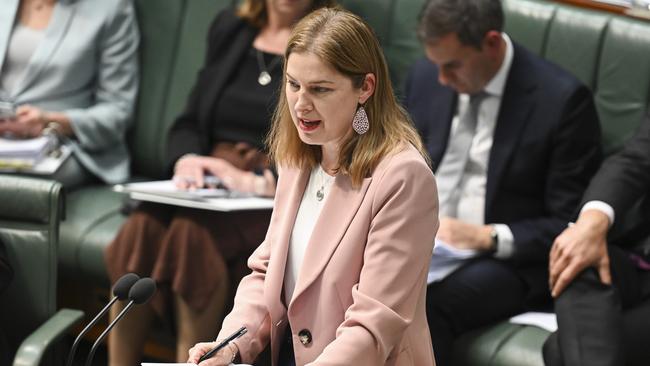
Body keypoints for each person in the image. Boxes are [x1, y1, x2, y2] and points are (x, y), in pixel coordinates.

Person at [187, 8, 438, 366]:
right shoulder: (299, 156)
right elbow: (267, 274)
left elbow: (374, 324)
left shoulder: (403, 178)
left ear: (365, 87)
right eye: (293, 85)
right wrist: (229, 345)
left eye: (320, 89)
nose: (301, 105)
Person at [104, 0, 334, 364]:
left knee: (191, 236)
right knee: (141, 228)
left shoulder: (328, 39)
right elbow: (190, 120)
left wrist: (257, 179)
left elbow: (332, 142)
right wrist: (188, 161)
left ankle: (194, 361)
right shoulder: (232, 27)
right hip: (211, 182)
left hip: (274, 189)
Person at [403, 0, 602, 364]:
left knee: (423, 307)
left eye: (453, 66)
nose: (442, 80)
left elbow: (569, 223)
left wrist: (489, 236)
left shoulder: (561, 102)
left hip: (502, 259)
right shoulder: (426, 75)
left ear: (491, 43)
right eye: (437, 66)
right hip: (420, 237)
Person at [544, 109, 650, 366]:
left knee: (558, 351)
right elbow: (634, 160)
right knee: (579, 254)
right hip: (641, 264)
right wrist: (591, 221)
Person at [0, 0, 139, 188]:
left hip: (63, 144)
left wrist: (48, 120)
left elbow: (118, 112)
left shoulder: (111, 7)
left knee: (16, 185)